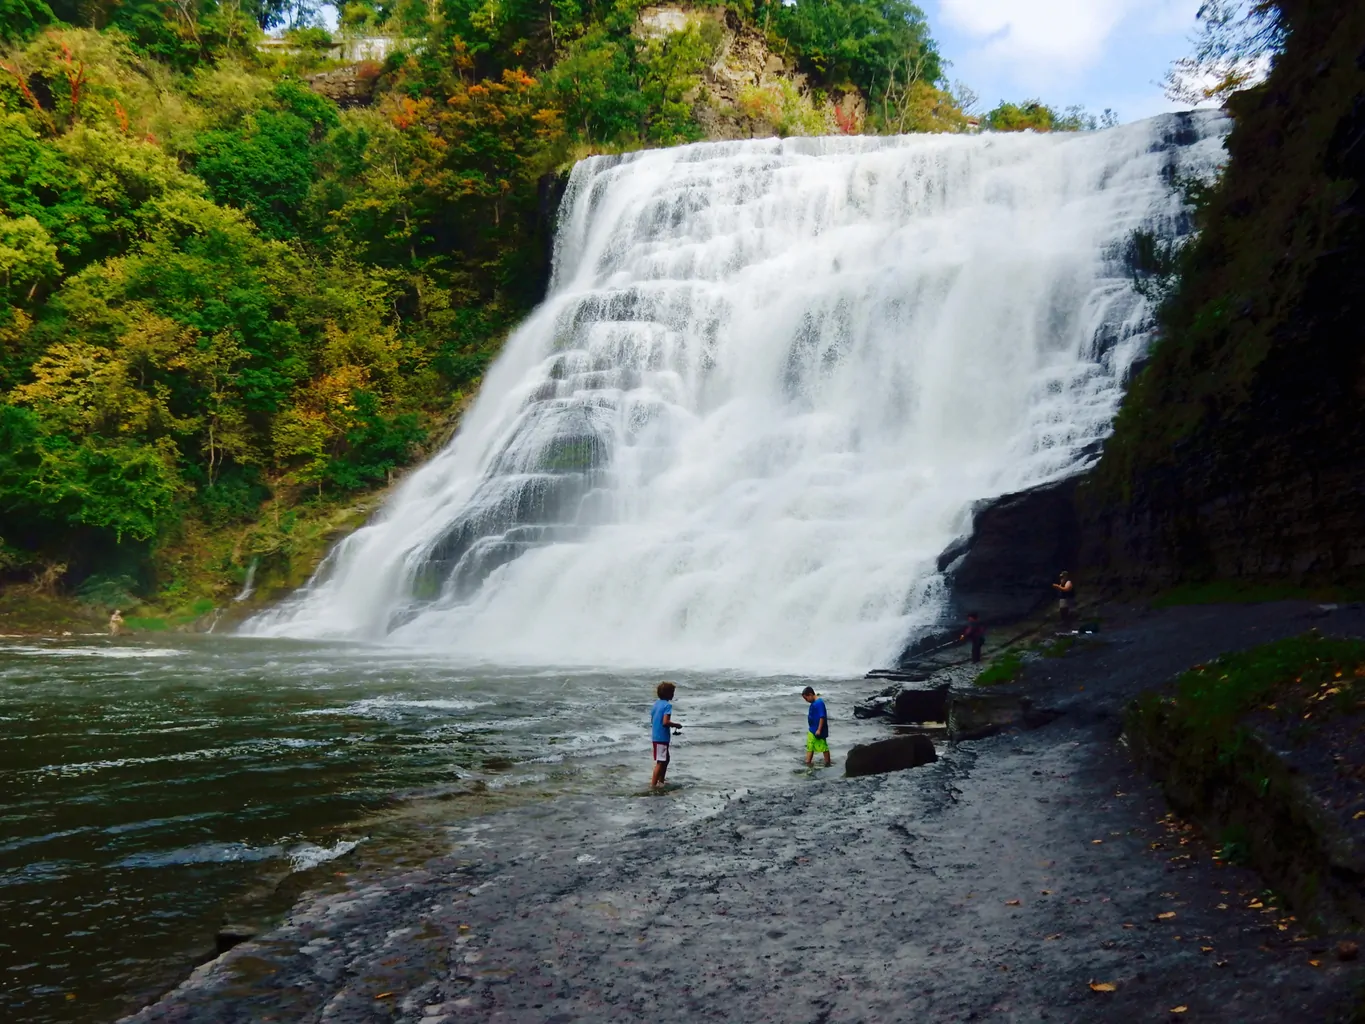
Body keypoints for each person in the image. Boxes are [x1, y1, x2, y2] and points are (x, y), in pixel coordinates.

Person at [650, 681, 682, 788]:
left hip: (656, 736)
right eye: (672, 692)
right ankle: (653, 785)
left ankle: (661, 781)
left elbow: (653, 720)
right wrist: (676, 725)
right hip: (662, 738)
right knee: (660, 762)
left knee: (666, 759)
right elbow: (665, 722)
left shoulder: (656, 705)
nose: (673, 694)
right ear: (668, 694)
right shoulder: (667, 706)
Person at [802, 686, 831, 767]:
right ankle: (808, 762)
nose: (806, 701)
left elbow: (822, 717)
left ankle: (828, 762)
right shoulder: (814, 703)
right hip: (812, 730)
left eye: (806, 698)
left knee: (823, 747)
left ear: (810, 694)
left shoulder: (819, 703)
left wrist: (819, 729)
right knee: (810, 746)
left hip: (818, 730)